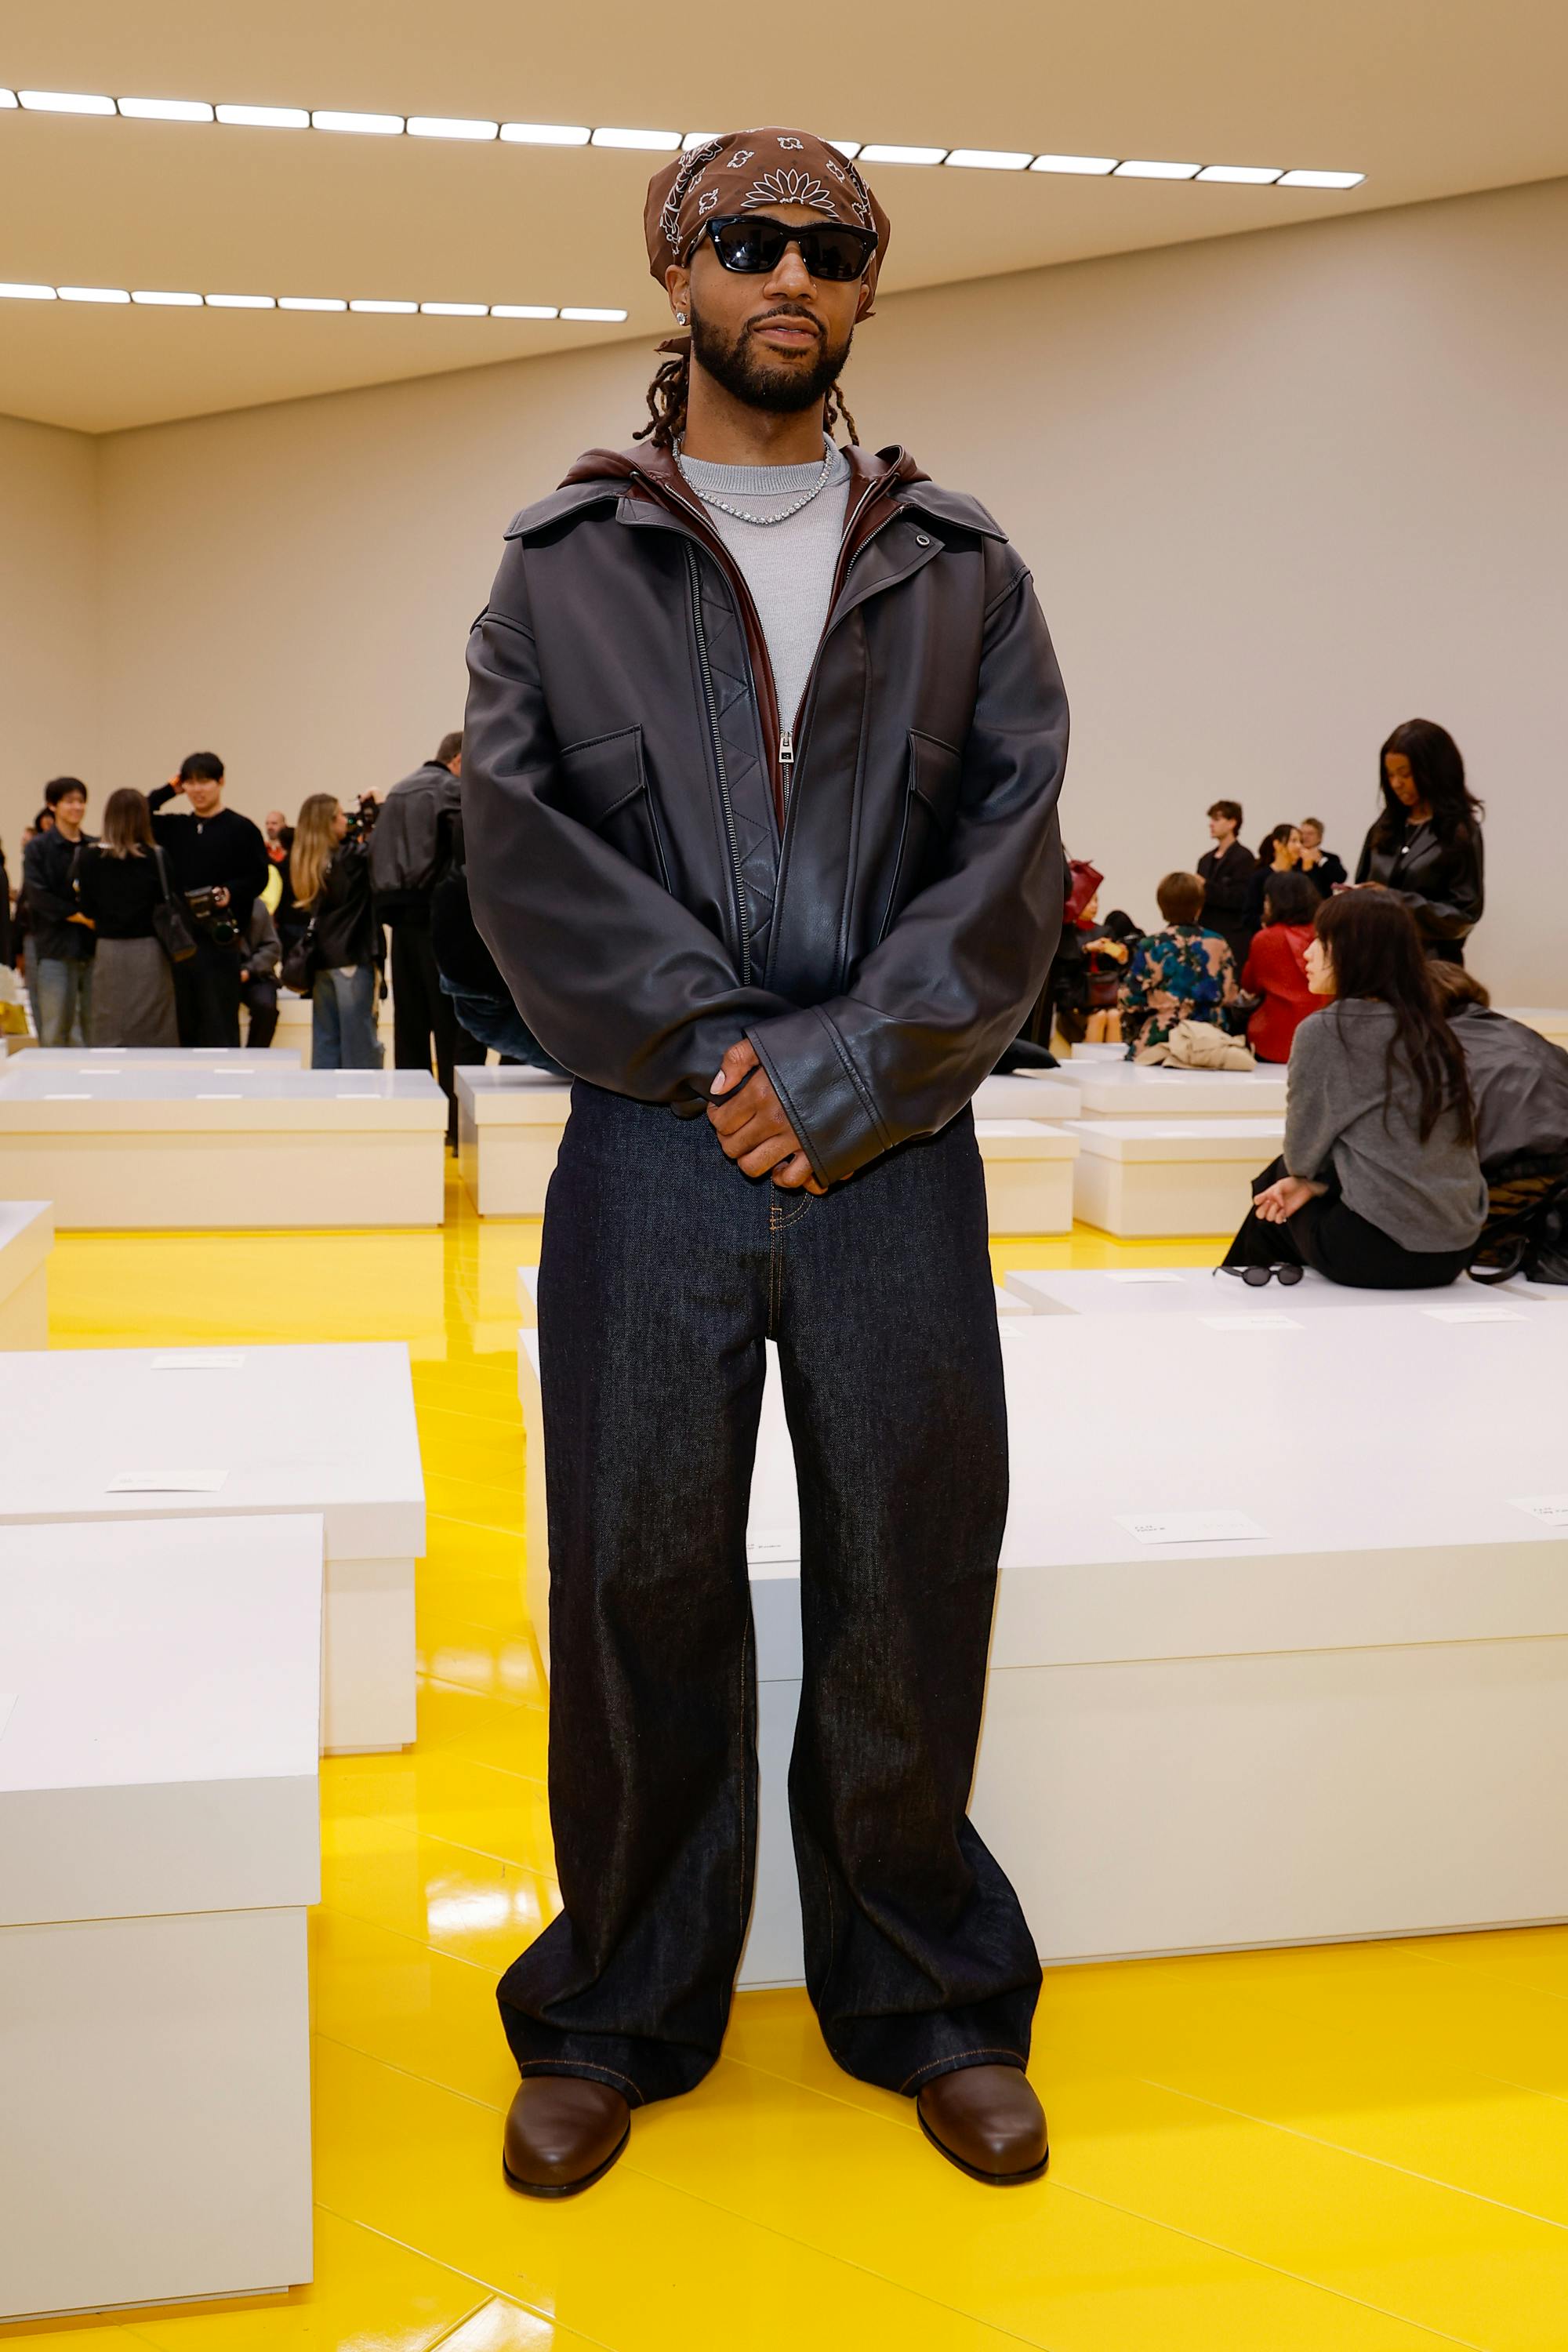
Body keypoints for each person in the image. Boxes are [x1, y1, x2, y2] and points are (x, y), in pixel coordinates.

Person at [463, 126, 1065, 2197]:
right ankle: (617, 2010)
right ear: (678, 270)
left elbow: (1009, 861)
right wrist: (734, 1059)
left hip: (897, 1147)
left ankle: (928, 1999)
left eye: (831, 244)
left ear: (870, 283)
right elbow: (526, 856)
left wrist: (853, 1072)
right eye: (747, 239)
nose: (788, 271)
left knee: (911, 1562)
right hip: (655, 1143)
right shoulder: (561, 564)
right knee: (636, 1572)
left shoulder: (963, 567)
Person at [1223, 891, 1485, 1286]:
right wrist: (1314, 1183)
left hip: (1377, 1249)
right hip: (1455, 1250)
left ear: (1354, 951)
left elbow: (1301, 1157)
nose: (1308, 953)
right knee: (1294, 1183)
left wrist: (1309, 1181)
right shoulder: (1432, 1028)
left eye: (1321, 941)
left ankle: (1235, 1290)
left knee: (1274, 1187)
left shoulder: (1327, 1030)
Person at [370, 730, 485, 1136]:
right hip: (438, 925)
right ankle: (454, 1129)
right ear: (458, 759)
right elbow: (465, 854)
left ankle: (415, 1126)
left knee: (410, 1030)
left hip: (400, 927)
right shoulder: (450, 790)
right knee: (451, 1031)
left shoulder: (398, 791)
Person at [148, 753, 268, 1045]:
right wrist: (168, 790)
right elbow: (136, 814)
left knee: (220, 1022)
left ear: (220, 782)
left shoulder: (242, 828)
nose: (197, 790)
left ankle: (225, 1075)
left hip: (221, 939)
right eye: (190, 783)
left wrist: (230, 893)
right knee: (184, 1023)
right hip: (180, 940)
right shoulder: (175, 827)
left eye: (204, 782)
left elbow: (259, 876)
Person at [1353, 718, 1483, 964]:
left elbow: (1464, 916)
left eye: (1405, 774)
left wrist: (1396, 903)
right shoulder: (1383, 827)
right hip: (1375, 963)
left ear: (1433, 772)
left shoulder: (1460, 833)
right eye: (1390, 774)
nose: (1396, 783)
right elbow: (1363, 885)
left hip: (1429, 967)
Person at [71, 788, 178, 1046]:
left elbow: (87, 908)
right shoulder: (157, 856)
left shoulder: (88, 857)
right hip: (150, 950)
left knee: (109, 1022)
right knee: (154, 1024)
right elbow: (170, 901)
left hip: (108, 949)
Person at [289, 793, 383, 1069]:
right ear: (328, 823)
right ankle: (362, 1097)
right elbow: (381, 847)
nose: (346, 820)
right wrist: (376, 808)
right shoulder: (348, 859)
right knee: (360, 1044)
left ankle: (324, 1096)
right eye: (341, 815)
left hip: (322, 961)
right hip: (352, 956)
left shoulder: (310, 862)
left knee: (326, 1041)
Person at [1119, 871, 1240, 1057]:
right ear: (1199, 906)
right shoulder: (1218, 943)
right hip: (1210, 1038)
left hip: (1162, 1038)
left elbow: (1129, 998)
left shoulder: (1151, 946)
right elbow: (1231, 994)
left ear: (1162, 906)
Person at [21, 778, 96, 1046]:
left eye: (81, 801)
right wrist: (81, 917)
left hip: (91, 948)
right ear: (52, 806)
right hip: (54, 947)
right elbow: (38, 896)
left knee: (93, 1025)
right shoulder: (38, 848)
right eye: (69, 801)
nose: (77, 807)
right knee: (54, 1027)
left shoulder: (93, 846)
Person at [1238, 869, 1319, 1063]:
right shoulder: (1324, 935)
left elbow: (1250, 985)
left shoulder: (1266, 938)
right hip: (1320, 1035)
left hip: (1273, 1038)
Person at [1196, 800, 1257, 967]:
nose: (1211, 824)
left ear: (1232, 823)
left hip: (1231, 935)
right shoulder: (1205, 859)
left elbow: (1241, 897)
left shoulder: (1244, 857)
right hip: (1206, 932)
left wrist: (1205, 886)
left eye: (1217, 819)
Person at [1243, 820, 1319, 935]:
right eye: (1294, 841)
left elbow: (1315, 906)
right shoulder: (1260, 877)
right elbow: (1248, 916)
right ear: (1277, 844)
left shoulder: (1302, 875)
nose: (1299, 846)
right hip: (1270, 936)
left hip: (1301, 937)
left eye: (1300, 841)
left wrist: (1308, 870)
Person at [239, 898, 282, 1047]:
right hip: (217, 975)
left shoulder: (257, 905)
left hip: (256, 974)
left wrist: (249, 969)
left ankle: (255, 1055)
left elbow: (273, 948)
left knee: (266, 1007)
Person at [1298, 816, 1346, 891]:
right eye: (1302, 833)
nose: (1305, 837)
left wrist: (1321, 861)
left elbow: (1341, 878)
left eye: (1310, 834)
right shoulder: (1293, 858)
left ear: (1319, 837)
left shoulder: (1330, 858)